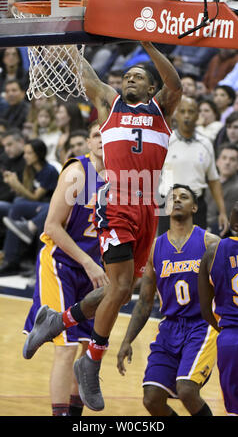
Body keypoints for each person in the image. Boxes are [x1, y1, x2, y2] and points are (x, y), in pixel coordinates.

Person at [23, 41, 183, 412]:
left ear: (149, 88)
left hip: (147, 206)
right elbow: (84, 70)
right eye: (127, 75)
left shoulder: (162, 109)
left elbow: (174, 83)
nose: (130, 78)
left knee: (119, 291)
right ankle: (91, 361)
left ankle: (57, 321)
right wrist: (63, 39)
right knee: (122, 287)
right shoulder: (110, 104)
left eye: (138, 76)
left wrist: (145, 41)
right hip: (117, 201)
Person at [23, 121, 108, 416]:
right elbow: (51, 226)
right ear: (88, 142)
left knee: (88, 348)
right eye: (97, 135)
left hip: (93, 270)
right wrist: (87, 262)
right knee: (66, 345)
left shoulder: (123, 180)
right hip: (61, 264)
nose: (102, 139)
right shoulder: (77, 173)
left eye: (107, 135)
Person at [117, 184, 219, 416]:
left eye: (184, 197)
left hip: (202, 326)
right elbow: (144, 302)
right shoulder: (155, 248)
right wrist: (127, 340)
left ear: (194, 207)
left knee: (186, 389)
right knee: (151, 398)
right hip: (170, 326)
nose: (178, 200)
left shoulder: (210, 243)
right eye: (172, 197)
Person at [158, 96, 229, 235]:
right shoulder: (165, 141)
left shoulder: (206, 143)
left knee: (198, 252)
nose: (186, 116)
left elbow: (214, 180)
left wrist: (222, 212)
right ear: (176, 115)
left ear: (197, 115)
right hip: (169, 203)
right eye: (182, 111)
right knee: (166, 252)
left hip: (196, 206)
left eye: (191, 112)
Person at [198, 201, 238, 415]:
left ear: (233, 223)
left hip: (230, 338)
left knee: (233, 410)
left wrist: (223, 331)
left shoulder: (213, 251)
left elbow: (205, 310)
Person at [0, 138, 59, 276]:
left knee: (19, 204)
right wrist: (15, 186)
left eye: (29, 153)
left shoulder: (48, 170)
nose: (25, 156)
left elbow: (35, 197)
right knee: (17, 205)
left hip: (49, 206)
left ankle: (27, 259)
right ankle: (11, 261)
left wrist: (16, 185)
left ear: (38, 154)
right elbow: (28, 195)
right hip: (35, 207)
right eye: (25, 153)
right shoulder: (29, 169)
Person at [206, 143, 238, 236]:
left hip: (224, 233)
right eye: (224, 158)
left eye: (232, 159)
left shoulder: (236, 188)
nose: (227, 162)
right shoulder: (207, 183)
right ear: (217, 161)